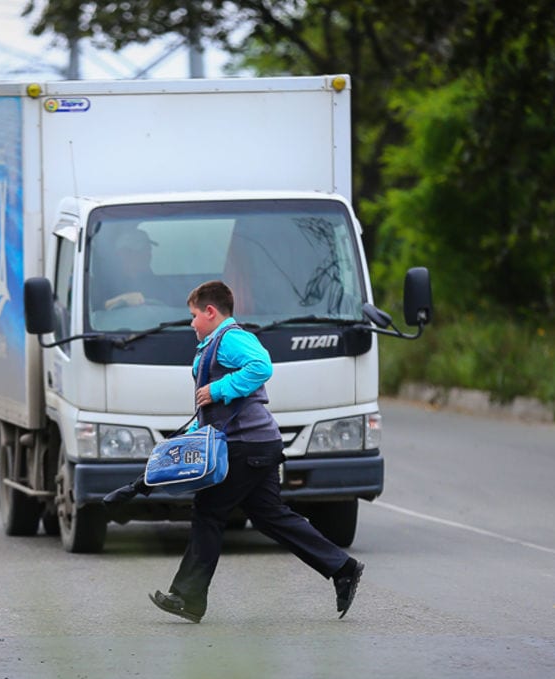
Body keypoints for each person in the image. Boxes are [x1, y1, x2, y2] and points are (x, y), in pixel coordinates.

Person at [131, 279, 365, 623]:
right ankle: (343, 567)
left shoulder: (231, 338)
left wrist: (218, 388)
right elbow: (215, 411)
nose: (191, 323)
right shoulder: (215, 344)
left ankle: (188, 597)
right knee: (270, 516)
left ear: (211, 312)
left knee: (209, 512)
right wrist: (186, 440)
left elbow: (261, 365)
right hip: (259, 443)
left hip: (247, 446)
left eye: (193, 316)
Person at [98, 227, 159, 310]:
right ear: (124, 253)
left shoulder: (158, 283)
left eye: (149, 249)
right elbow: (93, 309)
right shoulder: (106, 284)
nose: (148, 255)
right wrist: (123, 299)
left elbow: (178, 306)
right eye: (143, 250)